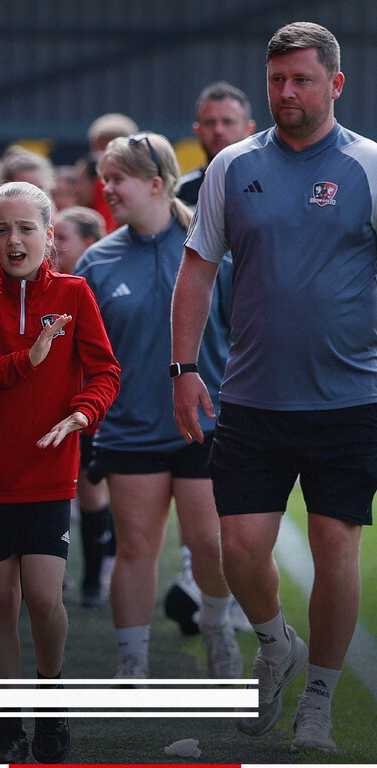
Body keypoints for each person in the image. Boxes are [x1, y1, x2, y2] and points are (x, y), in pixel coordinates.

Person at [173, 21, 377, 754]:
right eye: (277, 81)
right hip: (251, 395)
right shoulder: (231, 166)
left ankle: (316, 699)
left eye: (301, 80)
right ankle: (273, 644)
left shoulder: (369, 167)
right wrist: (183, 369)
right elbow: (197, 271)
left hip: (351, 399)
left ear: (336, 84)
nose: (286, 93)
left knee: (335, 543)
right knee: (239, 547)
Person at [0, 181, 119, 763]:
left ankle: (50, 696)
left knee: (43, 598)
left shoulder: (74, 293)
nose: (13, 240)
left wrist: (79, 416)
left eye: (25, 228)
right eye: (2, 229)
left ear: (49, 234)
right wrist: (27, 360)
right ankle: (9, 721)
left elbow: (105, 372)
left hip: (49, 469)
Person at [75, 132, 241, 683]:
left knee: (210, 543)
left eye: (118, 178)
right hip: (129, 431)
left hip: (205, 425)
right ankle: (132, 664)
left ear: (154, 182)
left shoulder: (211, 245)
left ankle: (217, 630)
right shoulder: (97, 263)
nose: (108, 188)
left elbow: (245, 330)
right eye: (105, 177)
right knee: (136, 547)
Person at [53, 205, 114, 607]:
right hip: (53, 405)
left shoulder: (101, 284)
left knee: (91, 491)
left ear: (89, 244)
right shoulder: (48, 286)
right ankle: (51, 576)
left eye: (62, 238)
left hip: (90, 408)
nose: (53, 246)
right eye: (52, 236)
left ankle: (94, 579)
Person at [176, 81, 256, 206]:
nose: (218, 130)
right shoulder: (178, 196)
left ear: (249, 129)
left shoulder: (270, 188)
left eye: (228, 122)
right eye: (210, 122)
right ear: (197, 130)